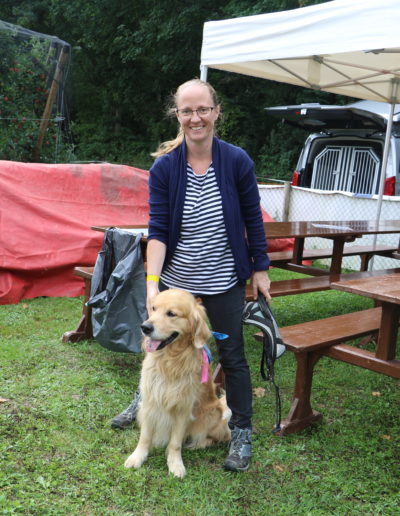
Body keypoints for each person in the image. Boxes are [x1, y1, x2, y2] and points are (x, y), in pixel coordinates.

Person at [111, 78, 271, 472]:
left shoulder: (237, 161)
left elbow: (253, 219)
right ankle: (144, 401)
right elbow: (158, 230)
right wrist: (153, 285)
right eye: (187, 111)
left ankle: (242, 432)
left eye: (202, 109)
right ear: (177, 115)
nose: (195, 117)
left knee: (232, 356)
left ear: (216, 112)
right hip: (177, 281)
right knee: (158, 347)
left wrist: (261, 269)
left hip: (223, 281)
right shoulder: (166, 167)